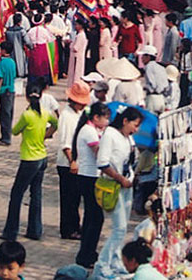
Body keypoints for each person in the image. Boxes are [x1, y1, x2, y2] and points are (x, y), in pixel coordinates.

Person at [1, 82, 58, 241]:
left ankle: (11, 231)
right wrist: (46, 134)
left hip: (29, 158)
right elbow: (56, 124)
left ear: (27, 97)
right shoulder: (45, 113)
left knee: (17, 194)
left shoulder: (27, 115)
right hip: (42, 155)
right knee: (36, 194)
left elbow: (15, 131)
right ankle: (35, 230)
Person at [93, 107, 143, 279]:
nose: (136, 130)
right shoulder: (110, 135)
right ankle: (103, 262)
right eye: (135, 125)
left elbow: (131, 160)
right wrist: (120, 178)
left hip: (126, 186)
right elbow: (103, 162)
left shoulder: (128, 138)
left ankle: (115, 260)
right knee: (119, 228)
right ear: (125, 121)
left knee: (123, 227)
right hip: (113, 185)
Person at [73, 102, 111, 268]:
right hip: (89, 177)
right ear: (96, 117)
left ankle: (88, 253)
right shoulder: (89, 131)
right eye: (105, 118)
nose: (107, 122)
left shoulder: (92, 130)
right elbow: (99, 153)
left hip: (90, 176)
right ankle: (86, 254)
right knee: (95, 218)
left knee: (92, 216)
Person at [57, 82, 90, 240]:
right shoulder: (66, 115)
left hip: (77, 161)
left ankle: (75, 225)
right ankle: (68, 229)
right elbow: (65, 143)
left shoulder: (78, 114)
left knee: (75, 198)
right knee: (68, 198)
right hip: (67, 162)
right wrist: (72, 161)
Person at [0, 41, 17, 146]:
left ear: (3, 50)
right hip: (11, 89)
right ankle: (7, 135)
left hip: (4, 90)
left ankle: (6, 138)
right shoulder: (12, 62)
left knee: (4, 115)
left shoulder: (2, 63)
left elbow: (0, 78)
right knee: (9, 113)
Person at [139, 46, 169, 114]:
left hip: (152, 98)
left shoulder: (148, 67)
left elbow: (152, 84)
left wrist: (145, 87)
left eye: (143, 56)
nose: (141, 58)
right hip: (161, 98)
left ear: (148, 57)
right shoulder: (161, 67)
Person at [69, 17, 88, 85]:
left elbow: (76, 48)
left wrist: (70, 44)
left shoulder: (81, 35)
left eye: (76, 25)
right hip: (78, 56)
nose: (75, 26)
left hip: (77, 57)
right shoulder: (80, 35)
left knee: (76, 73)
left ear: (81, 26)